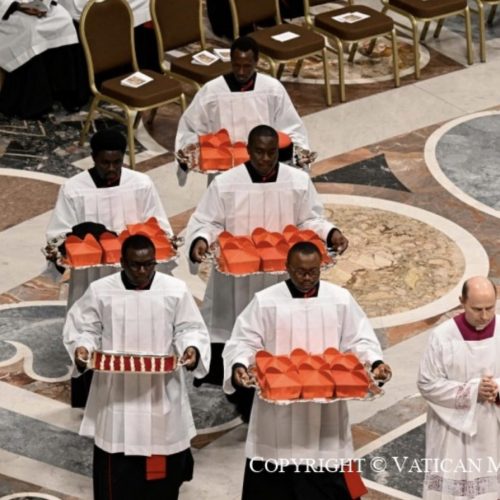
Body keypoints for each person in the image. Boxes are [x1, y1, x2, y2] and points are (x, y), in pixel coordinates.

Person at [185, 125, 348, 419]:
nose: (264, 158)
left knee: (278, 340)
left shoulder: (297, 182)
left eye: (271, 152)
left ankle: (280, 389)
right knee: (240, 337)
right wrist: (201, 240)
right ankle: (243, 396)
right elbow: (208, 222)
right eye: (258, 152)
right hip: (236, 279)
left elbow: (309, 220)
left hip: (280, 277)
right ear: (248, 150)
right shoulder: (226, 183)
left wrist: (330, 233)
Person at [223, 241, 391, 499]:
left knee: (327, 475)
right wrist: (239, 364)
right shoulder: (266, 301)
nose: (307, 278)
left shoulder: (339, 299)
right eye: (300, 271)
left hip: (326, 413)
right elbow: (243, 341)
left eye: (313, 271)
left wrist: (375, 362)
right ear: (287, 267)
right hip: (277, 414)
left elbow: (360, 339)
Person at [63, 234, 210, 500]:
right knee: (116, 479)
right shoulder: (100, 290)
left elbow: (190, 328)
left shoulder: (174, 290)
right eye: (135, 265)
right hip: (117, 395)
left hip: (160, 392)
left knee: (162, 481)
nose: (142, 271)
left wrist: (191, 348)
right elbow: (85, 328)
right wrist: (82, 348)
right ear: (122, 262)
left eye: (148, 264)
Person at [46, 128, 173, 407]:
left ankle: (136, 392)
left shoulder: (141, 184)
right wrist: (75, 240)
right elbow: (57, 234)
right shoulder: (74, 188)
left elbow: (160, 227)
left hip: (132, 276)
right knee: (90, 325)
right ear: (93, 158)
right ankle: (89, 393)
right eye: (105, 162)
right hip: (90, 277)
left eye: (117, 162)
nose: (112, 169)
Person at [175, 36, 311, 174]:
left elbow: (292, 128)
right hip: (225, 170)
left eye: (247, 66)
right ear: (231, 61)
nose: (241, 72)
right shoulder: (212, 91)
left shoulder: (272, 89)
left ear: (256, 62)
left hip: (264, 166)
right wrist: (191, 154)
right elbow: (190, 128)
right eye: (236, 65)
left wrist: (297, 157)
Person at [418, 276, 500, 500]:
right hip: (452, 430)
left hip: (492, 426)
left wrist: (496, 389)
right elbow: (427, 383)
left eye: (490, 308)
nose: (485, 316)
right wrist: (473, 392)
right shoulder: (443, 336)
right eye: (477, 309)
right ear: (462, 301)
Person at [0, 0, 87, 117]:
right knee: (29, 29)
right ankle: (34, 101)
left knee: (63, 18)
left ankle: (63, 90)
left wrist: (42, 4)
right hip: (9, 11)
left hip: (32, 5)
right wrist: (18, 6)